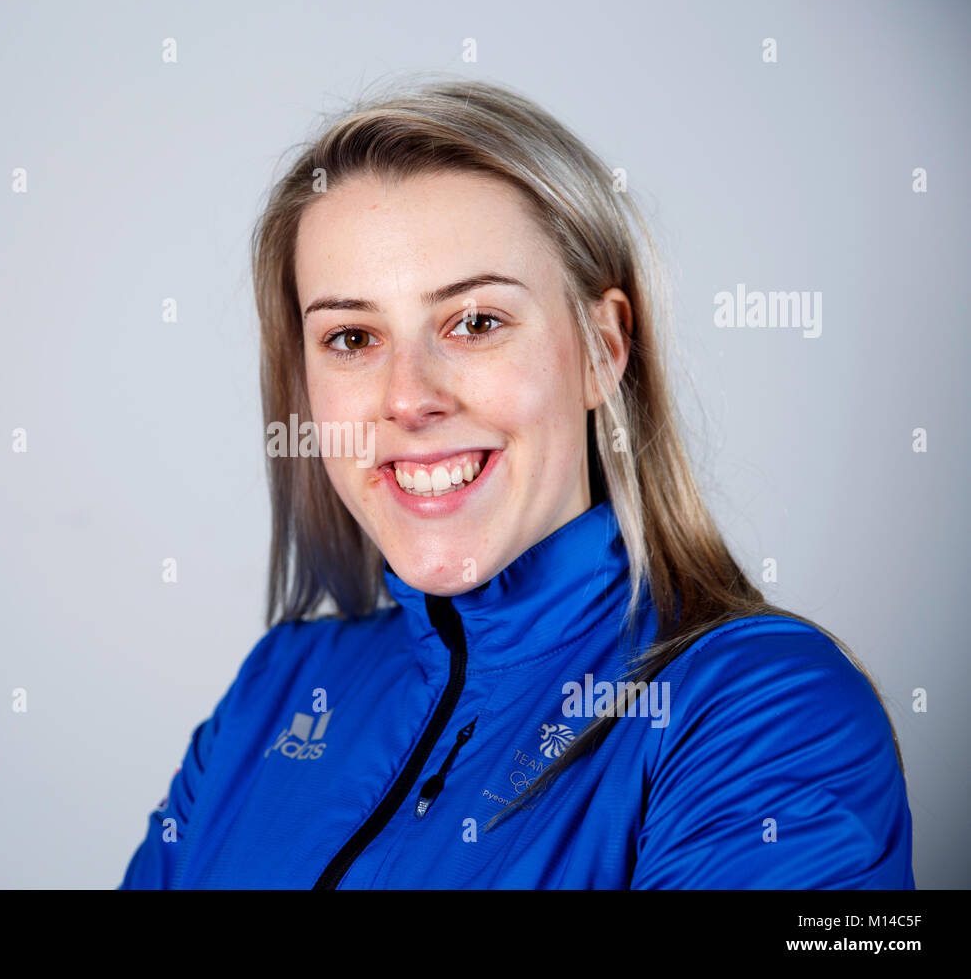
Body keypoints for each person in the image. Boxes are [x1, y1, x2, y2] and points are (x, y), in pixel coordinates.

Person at [119, 76, 914, 889]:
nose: (408, 398)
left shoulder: (758, 709)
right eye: (352, 336)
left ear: (602, 351)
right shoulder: (278, 690)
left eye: (475, 322)